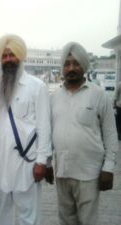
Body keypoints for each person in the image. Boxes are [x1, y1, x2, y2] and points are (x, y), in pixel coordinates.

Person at [46, 42, 118, 225]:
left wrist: (108, 168)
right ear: (62, 67)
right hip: (62, 172)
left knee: (88, 221)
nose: (71, 68)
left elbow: (110, 135)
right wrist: (47, 162)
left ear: (84, 66)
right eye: (67, 63)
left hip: (90, 174)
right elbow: (47, 133)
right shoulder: (54, 97)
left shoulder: (99, 95)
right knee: (66, 221)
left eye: (76, 63)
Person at [0, 34, 52, 225]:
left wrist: (42, 162)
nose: (8, 59)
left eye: (12, 55)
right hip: (1, 162)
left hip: (27, 163)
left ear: (21, 56)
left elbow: (44, 127)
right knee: (1, 214)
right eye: (4, 56)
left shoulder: (37, 87)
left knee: (28, 215)